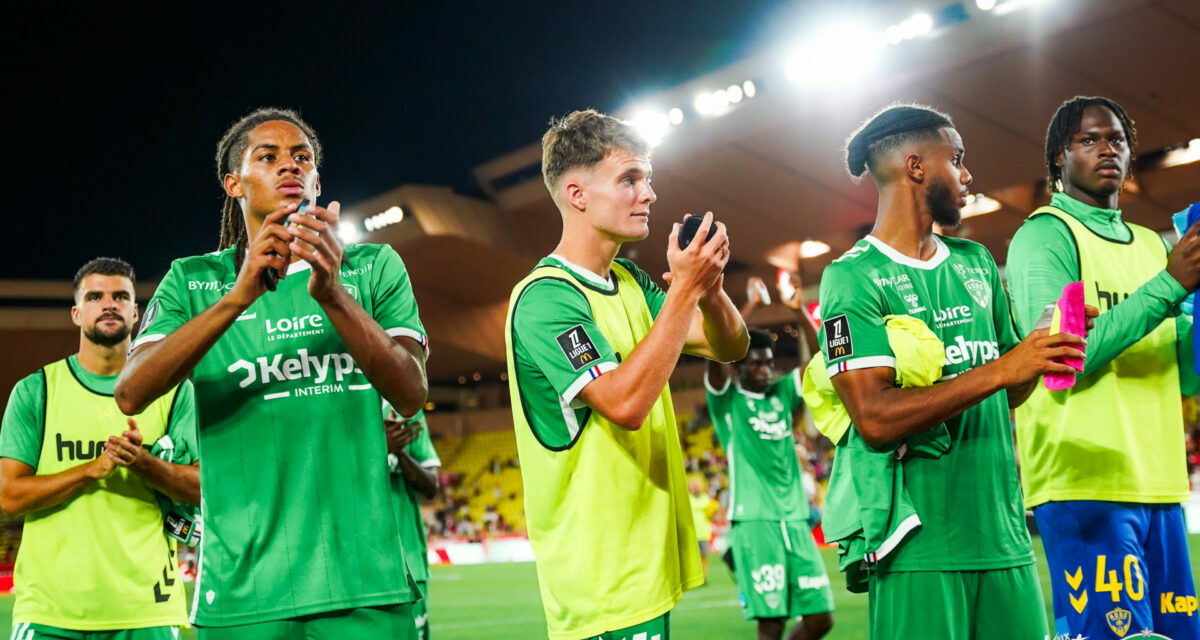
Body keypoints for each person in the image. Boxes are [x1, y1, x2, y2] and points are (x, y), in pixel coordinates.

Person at [114, 108, 429, 638]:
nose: (290, 166)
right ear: (233, 182)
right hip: (243, 586)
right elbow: (131, 391)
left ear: (318, 181)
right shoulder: (192, 281)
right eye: (269, 156)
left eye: (302, 157)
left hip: (366, 580)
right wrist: (238, 297)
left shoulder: (373, 269)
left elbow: (411, 391)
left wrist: (332, 296)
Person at [820, 103, 1089, 640]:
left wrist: (1045, 343)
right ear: (915, 166)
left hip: (1005, 540)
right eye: (957, 160)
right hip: (920, 549)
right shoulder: (851, 278)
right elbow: (874, 418)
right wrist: (1002, 368)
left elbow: (1010, 389)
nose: (967, 177)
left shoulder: (977, 262)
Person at [505, 109, 748, 640]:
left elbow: (730, 345)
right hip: (602, 578)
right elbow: (625, 404)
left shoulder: (630, 281)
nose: (649, 194)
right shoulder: (545, 297)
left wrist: (710, 289)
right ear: (577, 194)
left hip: (642, 561)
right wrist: (683, 292)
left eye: (649, 179)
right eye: (629, 179)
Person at [1005, 96, 1200, 640]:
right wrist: (1171, 286)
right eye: (1089, 140)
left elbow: (1182, 370)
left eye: (1116, 139)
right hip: (1084, 480)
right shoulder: (1045, 236)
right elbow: (1065, 355)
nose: (1107, 149)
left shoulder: (1148, 244)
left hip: (1158, 482)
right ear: (1057, 159)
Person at [0, 257, 200, 639]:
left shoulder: (175, 392)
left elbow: (204, 488)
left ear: (137, 313)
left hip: (146, 612)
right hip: (50, 613)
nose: (108, 304)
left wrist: (144, 465)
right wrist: (92, 469)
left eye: (120, 296)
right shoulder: (36, 391)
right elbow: (9, 495)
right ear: (76, 313)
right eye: (95, 297)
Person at [705, 276, 834, 640]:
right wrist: (749, 308)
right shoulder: (726, 400)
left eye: (769, 363)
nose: (766, 370)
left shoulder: (781, 393)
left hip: (795, 521)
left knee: (820, 619)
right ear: (739, 367)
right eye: (757, 364)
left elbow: (818, 361)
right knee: (771, 624)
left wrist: (797, 311)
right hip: (755, 522)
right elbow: (717, 347)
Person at [384, 407, 441, 640]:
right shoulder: (341, 406)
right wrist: (378, 446)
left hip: (409, 560)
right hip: (360, 566)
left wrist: (400, 453)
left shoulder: (405, 411)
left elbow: (431, 486)